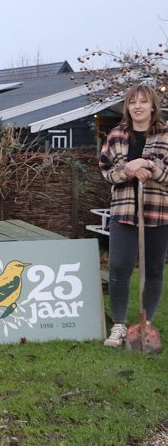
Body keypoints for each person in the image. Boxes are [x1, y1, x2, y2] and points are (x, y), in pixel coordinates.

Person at [99, 83, 168, 347]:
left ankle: (145, 323)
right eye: (132, 102)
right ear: (127, 107)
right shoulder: (116, 135)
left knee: (153, 270)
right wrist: (128, 169)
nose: (137, 106)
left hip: (158, 212)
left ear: (152, 105)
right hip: (124, 212)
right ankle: (118, 324)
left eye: (143, 101)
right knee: (118, 268)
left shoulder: (165, 134)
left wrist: (149, 165)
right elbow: (107, 172)